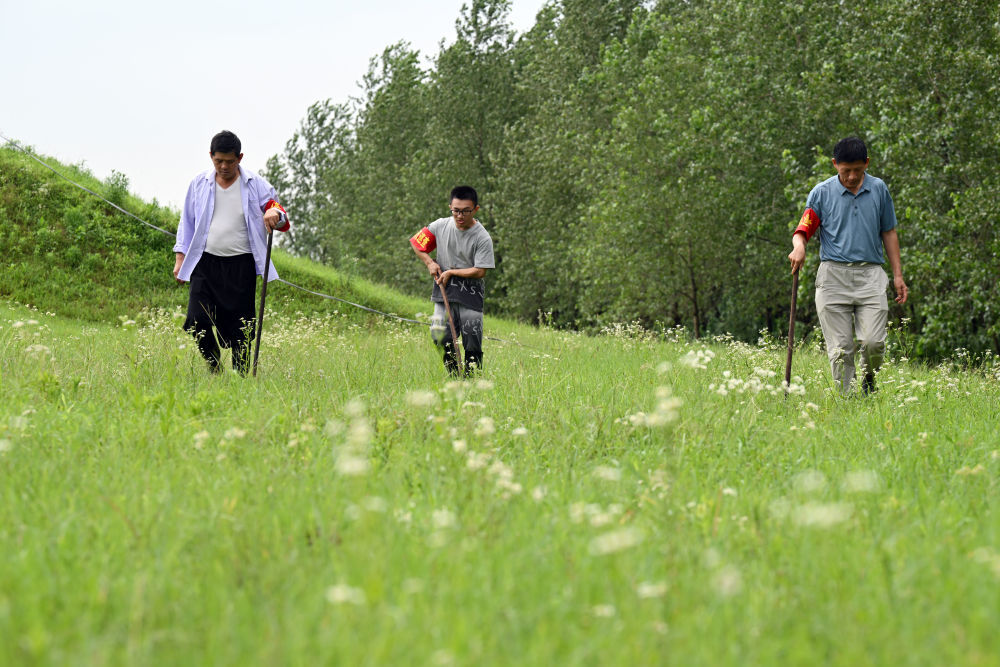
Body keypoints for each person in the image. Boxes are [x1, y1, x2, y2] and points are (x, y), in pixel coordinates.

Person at [788, 136, 908, 395]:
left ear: (867, 163)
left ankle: (868, 379)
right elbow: (803, 230)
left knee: (874, 343)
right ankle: (848, 402)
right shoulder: (821, 193)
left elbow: (889, 232)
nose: (852, 176)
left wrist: (898, 275)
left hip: (871, 275)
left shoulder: (879, 189)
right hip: (833, 277)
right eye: (846, 171)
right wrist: (799, 247)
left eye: (857, 170)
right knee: (841, 349)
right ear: (835, 164)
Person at [172, 130, 290, 374]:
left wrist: (273, 213)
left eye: (229, 161)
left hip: (241, 266)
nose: (224, 166)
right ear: (211, 156)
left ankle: (241, 379)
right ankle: (214, 367)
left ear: (240, 158)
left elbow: (280, 215)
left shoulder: (256, 185)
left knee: (242, 328)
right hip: (205, 264)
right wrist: (180, 257)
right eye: (219, 161)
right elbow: (187, 222)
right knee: (196, 320)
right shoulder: (199, 184)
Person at [410, 185, 495, 377]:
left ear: (475, 209)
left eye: (466, 211)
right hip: (444, 291)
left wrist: (451, 273)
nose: (460, 215)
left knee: (472, 340)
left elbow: (480, 271)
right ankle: (454, 377)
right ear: (450, 207)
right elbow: (416, 243)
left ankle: (472, 380)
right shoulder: (440, 226)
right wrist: (429, 262)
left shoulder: (482, 237)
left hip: (471, 295)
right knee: (439, 334)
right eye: (456, 210)